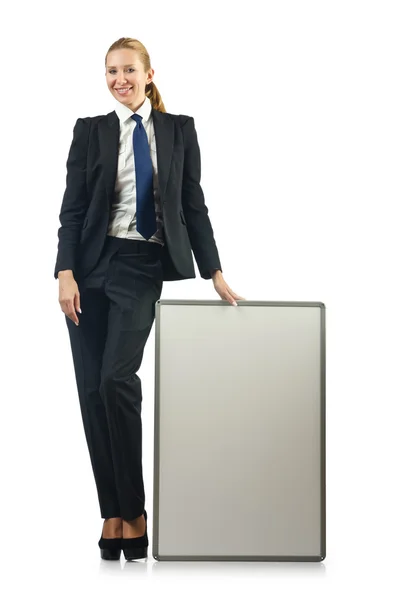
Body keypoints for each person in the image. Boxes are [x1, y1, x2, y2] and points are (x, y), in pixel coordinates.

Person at [54, 37, 245, 561]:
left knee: (117, 378)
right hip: (90, 269)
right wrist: (64, 272)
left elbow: (193, 203)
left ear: (149, 73)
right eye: (112, 71)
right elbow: (71, 209)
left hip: (141, 265)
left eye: (129, 70)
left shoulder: (178, 129)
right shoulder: (90, 132)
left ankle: (135, 511)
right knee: (92, 391)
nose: (120, 80)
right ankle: (112, 514)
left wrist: (214, 271)